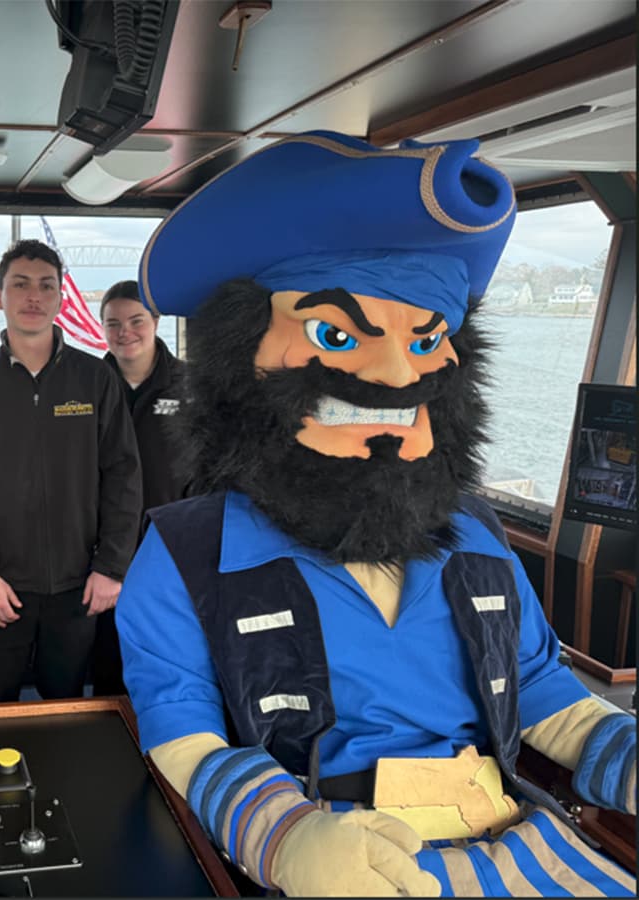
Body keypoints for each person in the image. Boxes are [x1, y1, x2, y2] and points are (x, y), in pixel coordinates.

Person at [116, 131, 636, 897]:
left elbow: (538, 686)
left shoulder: (479, 534)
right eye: (335, 334)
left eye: (427, 341)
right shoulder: (187, 552)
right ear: (242, 366)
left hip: (510, 837)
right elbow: (182, 729)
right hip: (324, 837)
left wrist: (624, 752)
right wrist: (285, 836)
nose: (396, 375)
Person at [0, 239, 142, 703]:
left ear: (60, 297)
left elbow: (123, 476)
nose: (33, 296)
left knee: (67, 706)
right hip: (0, 588)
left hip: (79, 586)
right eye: (20, 284)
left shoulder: (96, 379)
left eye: (45, 286)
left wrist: (112, 567)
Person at [93, 279, 188, 695]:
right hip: (101, 549)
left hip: (168, 545)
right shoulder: (88, 383)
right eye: (113, 324)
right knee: (106, 660)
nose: (124, 332)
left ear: (156, 320)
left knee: (165, 655)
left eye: (135, 320)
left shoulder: (193, 386)